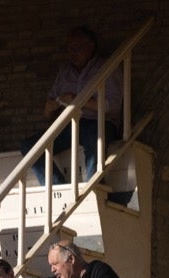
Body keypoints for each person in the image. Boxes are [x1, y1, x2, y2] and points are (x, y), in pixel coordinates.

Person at [25, 27, 122, 184]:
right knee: (30, 147)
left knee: (96, 140)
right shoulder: (65, 72)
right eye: (70, 49)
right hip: (70, 124)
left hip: (98, 123)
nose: (73, 53)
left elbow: (113, 106)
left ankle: (93, 188)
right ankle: (57, 187)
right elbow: (47, 113)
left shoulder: (106, 68)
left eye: (77, 49)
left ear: (91, 46)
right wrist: (50, 107)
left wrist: (78, 100)